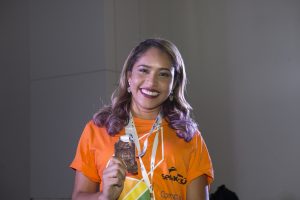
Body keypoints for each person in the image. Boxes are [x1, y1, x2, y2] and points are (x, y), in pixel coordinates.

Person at [70, 38, 214, 200]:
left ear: (173, 84)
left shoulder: (190, 138)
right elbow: (79, 196)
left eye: (164, 74)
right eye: (144, 70)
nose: (152, 82)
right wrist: (104, 197)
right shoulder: (97, 130)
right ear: (129, 76)